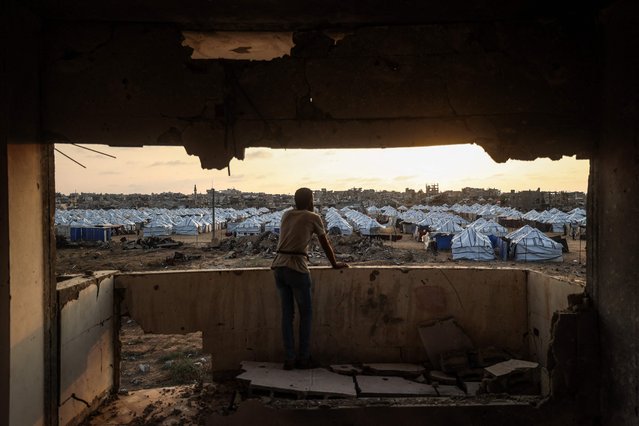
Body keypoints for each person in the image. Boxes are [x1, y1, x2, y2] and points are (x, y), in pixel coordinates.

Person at [271, 187, 348, 370]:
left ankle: (289, 358)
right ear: (310, 201)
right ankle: (304, 358)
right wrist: (334, 264)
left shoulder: (286, 215)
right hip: (297, 267)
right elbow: (325, 243)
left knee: (287, 316)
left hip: (279, 266)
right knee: (306, 315)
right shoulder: (312, 217)